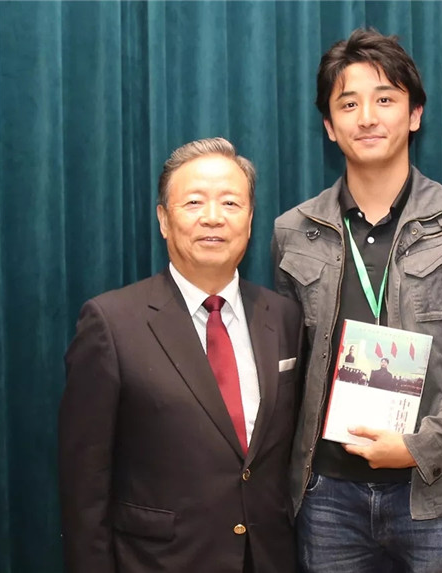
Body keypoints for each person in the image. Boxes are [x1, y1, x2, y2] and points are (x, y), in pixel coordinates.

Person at [272, 28, 442, 572]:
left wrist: (418, 447)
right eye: (348, 104)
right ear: (328, 125)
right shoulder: (294, 231)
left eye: (385, 99)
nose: (367, 117)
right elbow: (287, 368)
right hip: (326, 496)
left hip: (438, 496)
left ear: (414, 114)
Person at [59, 137, 303, 573]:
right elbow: (84, 486)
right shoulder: (111, 323)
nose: (213, 217)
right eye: (193, 202)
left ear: (250, 221)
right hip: (159, 561)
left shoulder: (284, 317)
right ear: (163, 220)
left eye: (230, 203)